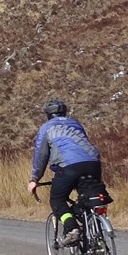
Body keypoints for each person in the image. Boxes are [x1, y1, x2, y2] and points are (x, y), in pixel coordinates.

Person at [27, 99, 102, 246]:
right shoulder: (75, 124)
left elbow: (41, 156)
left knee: (57, 200)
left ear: (48, 114)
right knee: (86, 199)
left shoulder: (46, 128)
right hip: (93, 164)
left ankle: (73, 229)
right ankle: (95, 242)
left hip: (68, 167)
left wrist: (35, 178)